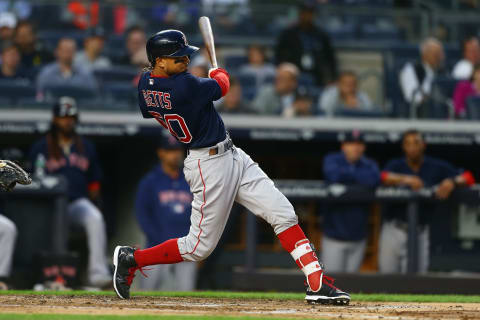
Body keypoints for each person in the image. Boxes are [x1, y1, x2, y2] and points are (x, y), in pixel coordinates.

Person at [113, 29, 350, 304]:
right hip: (208, 164)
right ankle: (132, 258)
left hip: (233, 156)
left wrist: (207, 78)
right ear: (160, 61)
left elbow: (159, 93)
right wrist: (218, 72)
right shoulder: (185, 86)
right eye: (178, 58)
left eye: (185, 57)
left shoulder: (145, 85)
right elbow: (223, 86)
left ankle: (316, 281)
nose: (185, 62)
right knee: (197, 248)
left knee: (283, 213)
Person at [29, 97, 111, 287]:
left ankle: (97, 274)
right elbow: (32, 180)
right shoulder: (41, 147)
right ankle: (46, 276)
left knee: (95, 218)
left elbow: (94, 180)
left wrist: (95, 196)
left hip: (75, 204)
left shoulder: (86, 147)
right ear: (55, 119)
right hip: (48, 208)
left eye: (71, 117)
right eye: (63, 117)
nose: (67, 121)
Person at [379, 129, 475, 274]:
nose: (412, 147)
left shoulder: (436, 166)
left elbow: (468, 177)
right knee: (386, 278)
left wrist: (452, 181)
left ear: (423, 145)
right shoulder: (396, 165)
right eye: (408, 143)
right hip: (394, 230)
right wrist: (406, 179)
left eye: (416, 143)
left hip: (420, 231)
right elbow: (382, 176)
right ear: (403, 147)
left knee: (416, 282)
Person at [135, 135, 197, 291]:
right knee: (146, 295)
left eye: (177, 150)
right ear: (161, 153)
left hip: (186, 249)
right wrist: (157, 238)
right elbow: (142, 215)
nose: (175, 154)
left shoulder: (191, 179)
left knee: (186, 294)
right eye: (170, 151)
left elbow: (201, 212)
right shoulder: (150, 181)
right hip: (156, 247)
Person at [321, 131, 380, 273]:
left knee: (351, 286)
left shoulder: (369, 164)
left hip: (358, 237)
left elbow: (373, 179)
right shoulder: (332, 159)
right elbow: (333, 174)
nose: (355, 147)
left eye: (359, 144)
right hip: (333, 238)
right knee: (331, 283)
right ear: (343, 146)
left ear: (363, 147)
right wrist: (360, 181)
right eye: (351, 143)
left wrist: (346, 177)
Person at [275, 2, 337, 86]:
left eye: (310, 13)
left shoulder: (321, 35)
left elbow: (330, 57)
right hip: (294, 73)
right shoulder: (288, 34)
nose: (307, 16)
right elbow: (279, 55)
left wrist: (333, 77)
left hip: (317, 74)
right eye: (304, 13)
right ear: (300, 14)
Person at [398, 37, 445, 116]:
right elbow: (413, 98)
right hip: (420, 115)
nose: (440, 58)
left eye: (440, 54)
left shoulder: (443, 72)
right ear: (424, 54)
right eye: (436, 54)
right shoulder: (411, 69)